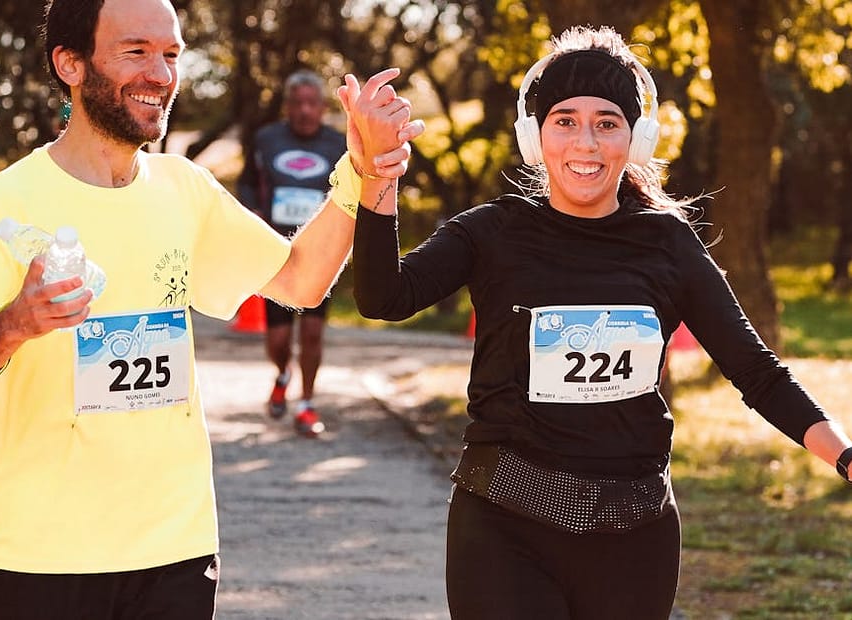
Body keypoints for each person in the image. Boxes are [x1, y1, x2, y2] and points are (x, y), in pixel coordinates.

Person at [0, 0, 421, 617]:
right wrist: (14, 325)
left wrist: (362, 168)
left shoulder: (184, 191)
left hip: (177, 547)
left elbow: (300, 280)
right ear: (70, 63)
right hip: (47, 553)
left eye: (171, 54)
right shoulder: (4, 207)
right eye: (135, 51)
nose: (160, 74)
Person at [350, 24, 852, 620]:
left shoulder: (667, 244)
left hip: (635, 536)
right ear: (535, 136)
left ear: (634, 139)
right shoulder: (491, 232)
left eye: (606, 123)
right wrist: (379, 175)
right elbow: (385, 297)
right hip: (504, 529)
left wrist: (846, 458)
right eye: (564, 120)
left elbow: (756, 372)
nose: (584, 143)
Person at [237, 69, 344, 438]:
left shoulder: (338, 144)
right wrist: (250, 211)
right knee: (279, 340)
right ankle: (282, 372)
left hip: (321, 253)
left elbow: (350, 193)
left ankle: (307, 404)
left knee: (313, 333)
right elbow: (247, 183)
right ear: (287, 106)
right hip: (276, 253)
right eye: (297, 103)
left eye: (311, 103)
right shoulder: (267, 140)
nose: (304, 110)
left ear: (322, 107)